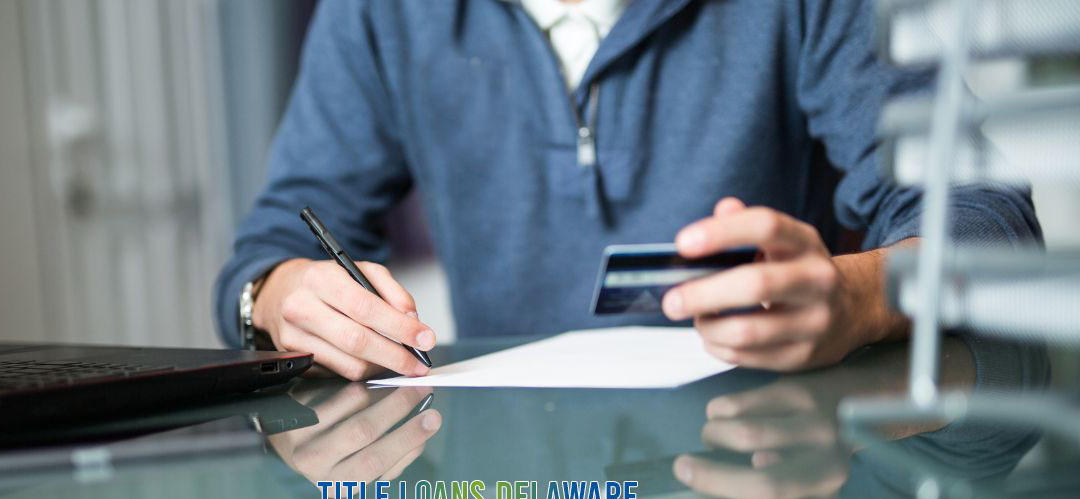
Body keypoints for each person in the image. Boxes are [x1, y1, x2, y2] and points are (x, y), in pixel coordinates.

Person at [214, 0, 1040, 380]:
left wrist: (857, 298)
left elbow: (992, 221)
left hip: (779, 487)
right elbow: (268, 250)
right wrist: (278, 294)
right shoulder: (379, 14)